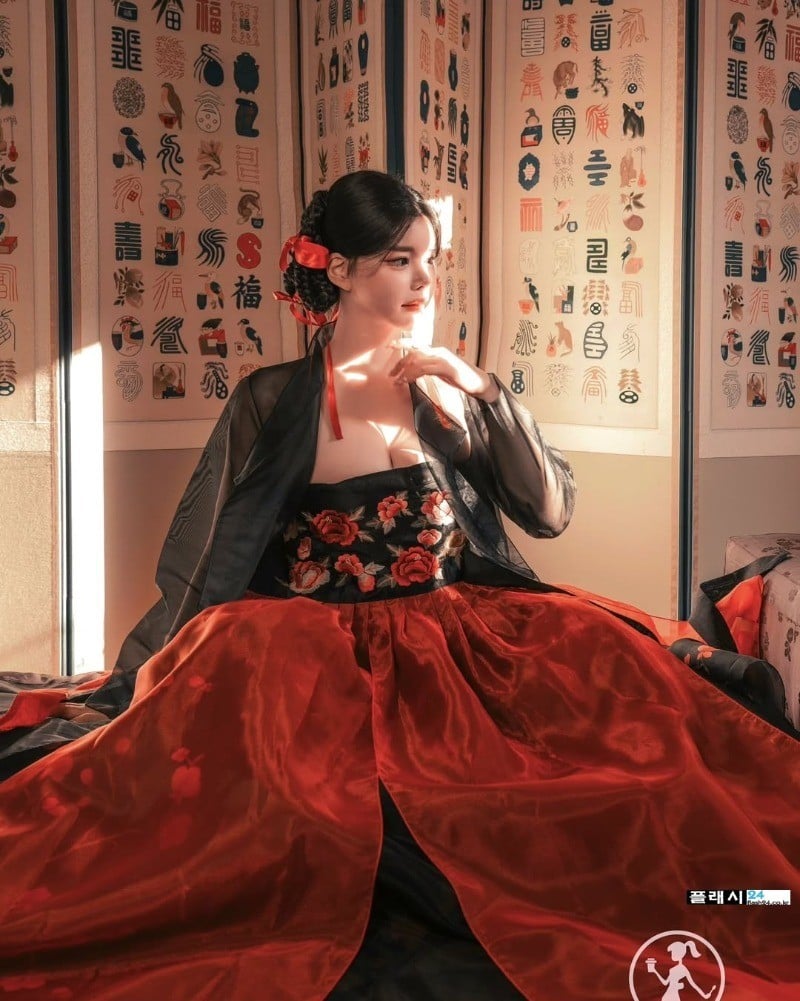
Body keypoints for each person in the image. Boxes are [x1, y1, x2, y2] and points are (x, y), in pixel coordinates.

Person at [0, 169, 798, 1000]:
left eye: (430, 259)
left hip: (458, 641)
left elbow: (548, 511)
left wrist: (477, 386)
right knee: (304, 819)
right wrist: (145, 684)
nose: (424, 279)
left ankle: (729, 901)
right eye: (398, 259)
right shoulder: (272, 398)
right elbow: (210, 555)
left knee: (643, 751)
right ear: (341, 269)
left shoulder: (440, 391)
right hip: (321, 654)